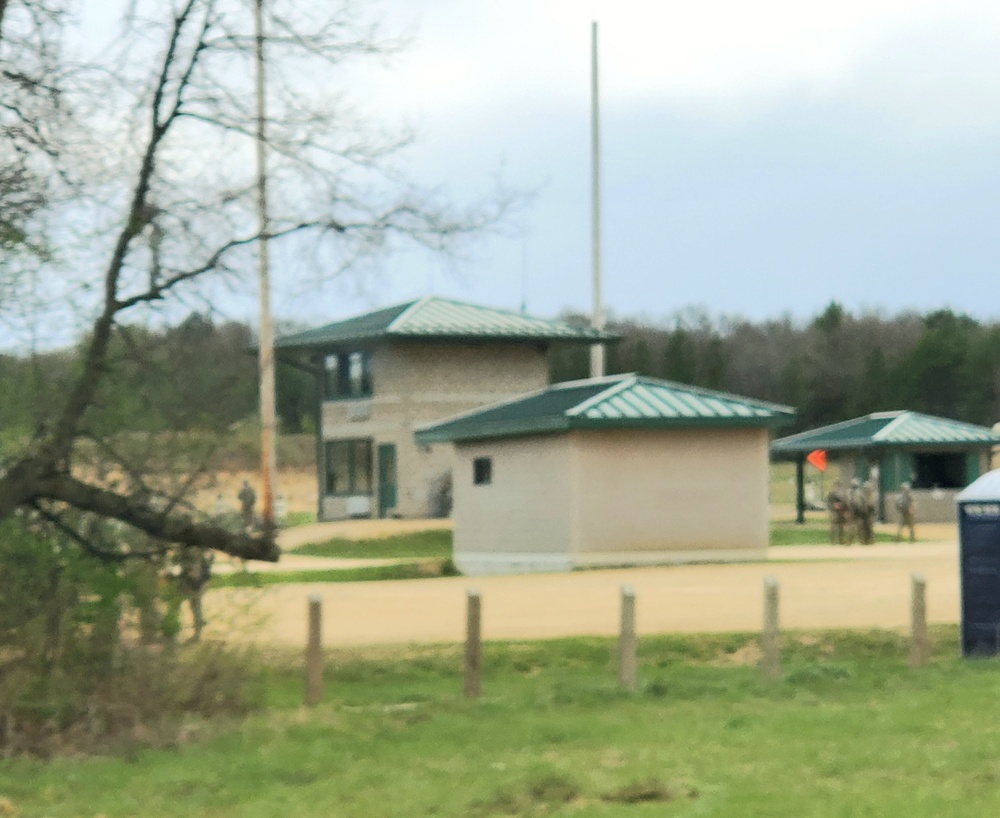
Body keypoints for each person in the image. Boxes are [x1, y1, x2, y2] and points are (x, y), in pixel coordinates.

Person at [176, 546, 214, 642]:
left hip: (197, 581)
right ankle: (196, 628)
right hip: (190, 580)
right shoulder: (186, 547)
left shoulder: (195, 548)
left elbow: (209, 559)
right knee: (194, 605)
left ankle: (197, 632)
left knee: (195, 605)